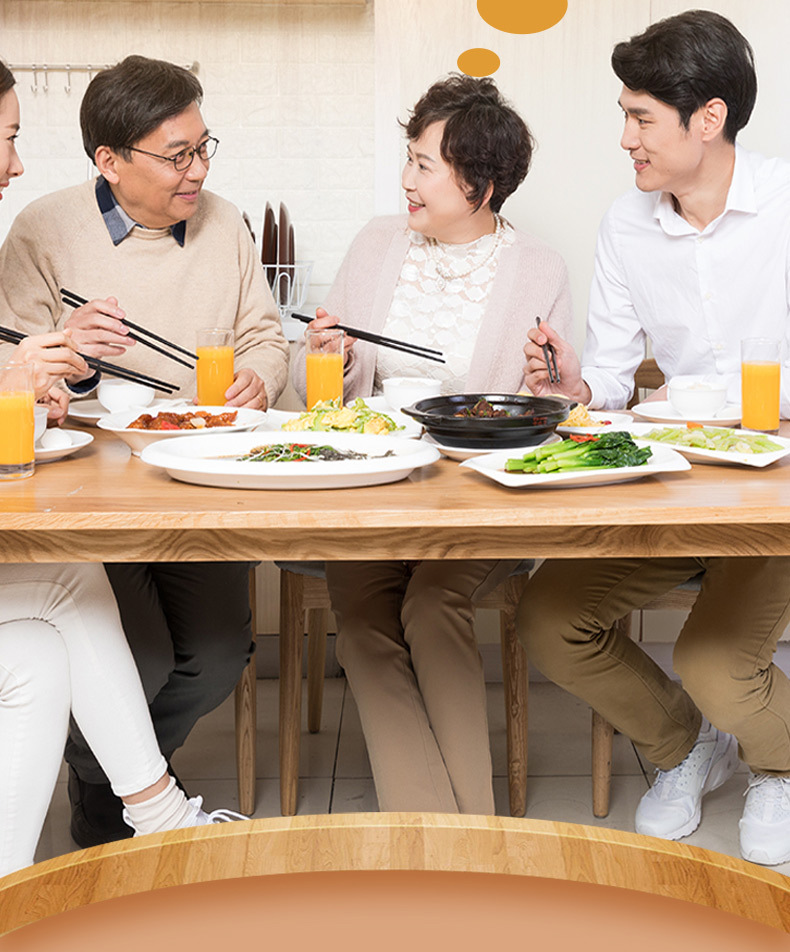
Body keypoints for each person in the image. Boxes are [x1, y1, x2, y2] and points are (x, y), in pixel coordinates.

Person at [519, 10, 790, 865]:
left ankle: (779, 763)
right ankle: (685, 744)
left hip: (773, 491)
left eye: (641, 118)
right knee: (550, 619)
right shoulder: (626, 222)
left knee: (715, 661)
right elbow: (609, 375)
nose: (625, 139)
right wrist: (573, 388)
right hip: (675, 480)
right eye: (624, 115)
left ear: (708, 118)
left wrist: (726, 404)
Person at [0, 55, 289, 849]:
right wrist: (71, 354)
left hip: (201, 474)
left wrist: (261, 378)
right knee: (146, 656)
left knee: (221, 652)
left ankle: (106, 779)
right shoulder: (42, 229)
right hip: (89, 483)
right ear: (110, 160)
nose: (198, 170)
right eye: (176, 155)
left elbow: (266, 337)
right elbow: (16, 373)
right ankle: (129, 803)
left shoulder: (226, 224)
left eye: (203, 147)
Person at [292, 75, 572, 813]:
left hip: (479, 497)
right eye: (409, 159)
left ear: (480, 184)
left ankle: (457, 832)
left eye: (424, 165)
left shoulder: (538, 267)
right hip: (373, 486)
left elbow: (551, 408)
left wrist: (551, 381)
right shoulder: (377, 242)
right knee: (363, 621)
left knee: (432, 603)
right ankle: (452, 832)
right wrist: (327, 357)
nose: (407, 180)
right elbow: (315, 389)